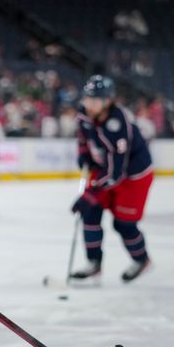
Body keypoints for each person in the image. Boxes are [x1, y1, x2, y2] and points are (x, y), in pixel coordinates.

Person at [71, 75, 154, 283]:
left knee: (123, 224)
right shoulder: (84, 113)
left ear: (107, 101)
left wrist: (89, 193)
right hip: (105, 170)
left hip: (133, 177)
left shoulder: (117, 125)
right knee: (90, 212)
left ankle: (142, 260)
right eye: (87, 98)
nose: (89, 104)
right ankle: (94, 264)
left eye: (95, 100)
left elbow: (116, 173)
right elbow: (83, 136)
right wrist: (83, 154)